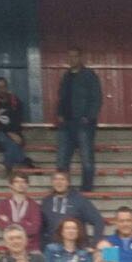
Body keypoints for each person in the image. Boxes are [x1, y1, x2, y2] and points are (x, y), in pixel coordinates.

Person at [54, 47, 103, 191]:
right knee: (62, 159)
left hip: (83, 124)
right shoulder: (66, 76)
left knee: (86, 159)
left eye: (75, 56)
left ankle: (87, 189)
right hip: (65, 124)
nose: (72, 59)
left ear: (81, 58)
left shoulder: (89, 75)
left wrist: (88, 117)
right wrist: (59, 114)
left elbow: (97, 98)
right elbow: (61, 97)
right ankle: (62, 189)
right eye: (69, 56)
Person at [39, 168, 104, 246]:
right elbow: (42, 227)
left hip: (77, 248)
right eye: (55, 179)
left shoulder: (79, 200)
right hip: (53, 248)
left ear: (68, 182)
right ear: (52, 182)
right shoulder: (46, 201)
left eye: (62, 179)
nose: (59, 182)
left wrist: (95, 244)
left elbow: (98, 221)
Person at [0, 77, 30, 172]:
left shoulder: (16, 102)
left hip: (15, 133)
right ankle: (24, 161)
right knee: (10, 141)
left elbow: (16, 123)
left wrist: (1, 128)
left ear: (7, 87)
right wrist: (8, 133)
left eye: (3, 87)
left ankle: (7, 164)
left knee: (13, 141)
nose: (1, 90)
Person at [0, 170, 43, 245]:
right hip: (10, 246)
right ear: (10, 185)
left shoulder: (34, 205)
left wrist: (10, 223)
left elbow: (34, 229)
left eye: (23, 182)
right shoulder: (3, 204)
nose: (20, 184)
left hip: (30, 247)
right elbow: (2, 225)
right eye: (16, 182)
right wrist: (25, 223)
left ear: (27, 185)